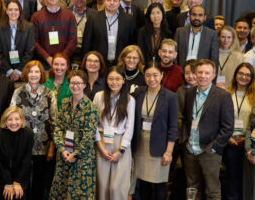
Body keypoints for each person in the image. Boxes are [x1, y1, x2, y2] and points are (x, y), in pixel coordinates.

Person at [180, 59, 234, 200]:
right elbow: (185, 119)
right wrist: (185, 140)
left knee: (212, 190)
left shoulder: (223, 96)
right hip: (190, 148)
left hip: (209, 150)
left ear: (213, 75)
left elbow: (228, 127)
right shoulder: (189, 92)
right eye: (200, 72)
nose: (203, 75)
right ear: (195, 74)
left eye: (207, 73)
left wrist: (214, 147)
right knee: (191, 188)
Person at [131, 63, 179, 200]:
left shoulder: (170, 97)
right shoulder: (138, 93)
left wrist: (169, 152)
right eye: (148, 75)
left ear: (162, 75)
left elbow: (173, 127)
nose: (152, 79)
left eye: (155, 75)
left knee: (159, 187)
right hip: (140, 147)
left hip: (160, 149)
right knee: (143, 184)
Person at [10, 60, 56, 199]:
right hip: (22, 147)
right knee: (22, 185)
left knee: (39, 185)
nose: (34, 74)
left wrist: (52, 147)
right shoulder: (18, 92)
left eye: (37, 71)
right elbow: (11, 119)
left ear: (41, 74)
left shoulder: (49, 94)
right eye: (31, 71)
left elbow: (54, 122)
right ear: (26, 73)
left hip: (43, 148)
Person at [49, 70, 97, 199]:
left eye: (78, 83)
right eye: (72, 83)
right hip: (64, 154)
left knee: (78, 193)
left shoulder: (90, 107)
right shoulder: (64, 103)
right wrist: (62, 149)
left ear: (84, 85)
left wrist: (75, 154)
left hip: (82, 158)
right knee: (60, 191)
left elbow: (89, 135)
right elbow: (58, 127)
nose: (75, 86)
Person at [92, 68, 136, 200]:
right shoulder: (99, 96)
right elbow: (92, 123)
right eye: (111, 78)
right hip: (102, 141)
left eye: (117, 79)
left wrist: (121, 151)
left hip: (121, 143)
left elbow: (130, 127)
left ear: (123, 80)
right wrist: (100, 147)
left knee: (118, 187)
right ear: (106, 80)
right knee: (102, 184)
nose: (114, 82)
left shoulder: (129, 100)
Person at [222, 62, 255, 200]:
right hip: (230, 141)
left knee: (245, 178)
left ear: (252, 78)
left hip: (248, 143)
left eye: (248, 75)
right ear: (236, 75)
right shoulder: (226, 93)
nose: (244, 77)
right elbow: (221, 118)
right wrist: (228, 138)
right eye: (241, 73)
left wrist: (246, 139)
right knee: (231, 177)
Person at [0, 107, 34, 200]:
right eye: (10, 119)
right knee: (6, 196)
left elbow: (26, 160)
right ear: (5, 121)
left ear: (22, 120)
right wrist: (8, 182)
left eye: (17, 119)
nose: (14, 123)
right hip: (2, 177)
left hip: (21, 176)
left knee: (19, 196)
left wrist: (17, 181)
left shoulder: (28, 134)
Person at [83, 0, 136, 64]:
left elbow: (132, 43)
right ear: (104, 2)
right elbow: (87, 42)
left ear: (119, 3)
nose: (112, 3)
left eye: (115, 0)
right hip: (98, 62)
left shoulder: (128, 19)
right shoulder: (93, 18)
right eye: (108, 0)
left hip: (121, 62)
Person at [32, 0, 77, 66]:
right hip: (43, 63)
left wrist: (62, 58)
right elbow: (34, 42)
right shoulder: (36, 17)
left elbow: (73, 40)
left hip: (64, 62)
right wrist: (47, 57)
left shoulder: (69, 15)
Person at [0, 0, 35, 82]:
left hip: (23, 71)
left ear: (20, 11)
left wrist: (18, 71)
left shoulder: (29, 27)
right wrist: (10, 71)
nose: (13, 12)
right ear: (7, 11)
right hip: (4, 71)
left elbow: (29, 51)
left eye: (16, 9)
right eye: (10, 9)